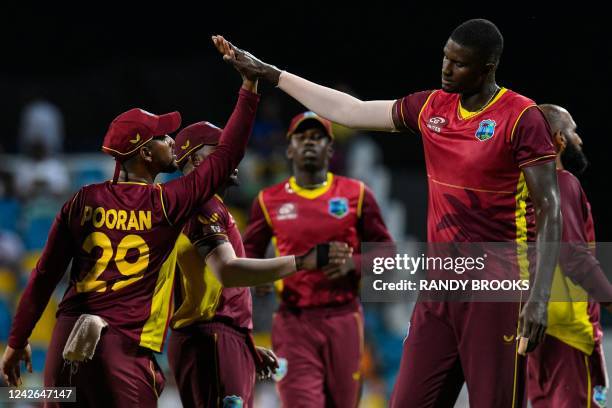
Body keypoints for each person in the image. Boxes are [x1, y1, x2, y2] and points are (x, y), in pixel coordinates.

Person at [212, 18, 562, 407]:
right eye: (445, 58)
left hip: (498, 290)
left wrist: (540, 297)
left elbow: (550, 206)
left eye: (459, 63)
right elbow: (352, 110)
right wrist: (273, 75)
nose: (446, 68)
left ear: (487, 68)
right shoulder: (432, 107)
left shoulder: (521, 117)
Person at [1, 39, 260, 407]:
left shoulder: (81, 199)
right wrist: (248, 89)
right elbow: (225, 156)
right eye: (162, 136)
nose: (172, 140)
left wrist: (16, 342)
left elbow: (44, 276)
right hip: (122, 347)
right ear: (143, 153)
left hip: (65, 341)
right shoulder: (167, 203)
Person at [167, 120, 352, 408]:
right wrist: (303, 261)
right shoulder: (200, 204)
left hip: (218, 338)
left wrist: (243, 343)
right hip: (211, 339)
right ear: (194, 158)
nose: (235, 157)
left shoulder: (205, 204)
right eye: (222, 150)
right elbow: (227, 272)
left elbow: (214, 290)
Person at [242, 111, 393, 407]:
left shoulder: (357, 194)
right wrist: (259, 277)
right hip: (293, 321)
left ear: (331, 148)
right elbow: (249, 252)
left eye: (318, 137)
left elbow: (387, 253)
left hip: (344, 318)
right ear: (289, 148)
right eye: (302, 137)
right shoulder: (268, 200)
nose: (309, 143)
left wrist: (354, 264)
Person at [527, 104, 609, 408]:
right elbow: (574, 255)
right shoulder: (562, 183)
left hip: (534, 332)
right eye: (574, 131)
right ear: (559, 139)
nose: (580, 140)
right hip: (571, 333)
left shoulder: (522, 190)